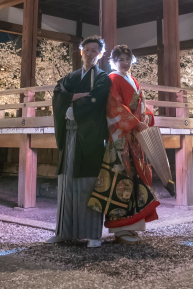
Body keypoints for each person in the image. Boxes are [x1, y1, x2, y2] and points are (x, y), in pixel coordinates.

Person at [88, 44, 159, 245]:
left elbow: (144, 106)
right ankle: (120, 229)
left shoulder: (134, 81)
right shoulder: (113, 79)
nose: (125, 63)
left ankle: (132, 226)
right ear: (113, 62)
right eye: (121, 60)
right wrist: (136, 124)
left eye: (128, 59)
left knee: (138, 180)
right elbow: (114, 107)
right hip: (121, 139)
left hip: (136, 137)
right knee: (121, 181)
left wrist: (146, 120)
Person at [47, 35, 112, 248]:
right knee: (67, 182)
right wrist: (78, 96)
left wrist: (71, 102)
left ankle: (93, 234)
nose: (90, 53)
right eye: (87, 49)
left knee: (88, 183)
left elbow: (97, 99)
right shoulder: (72, 76)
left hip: (90, 137)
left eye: (95, 50)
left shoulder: (103, 78)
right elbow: (58, 92)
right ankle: (65, 232)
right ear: (81, 51)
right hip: (70, 136)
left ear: (100, 55)